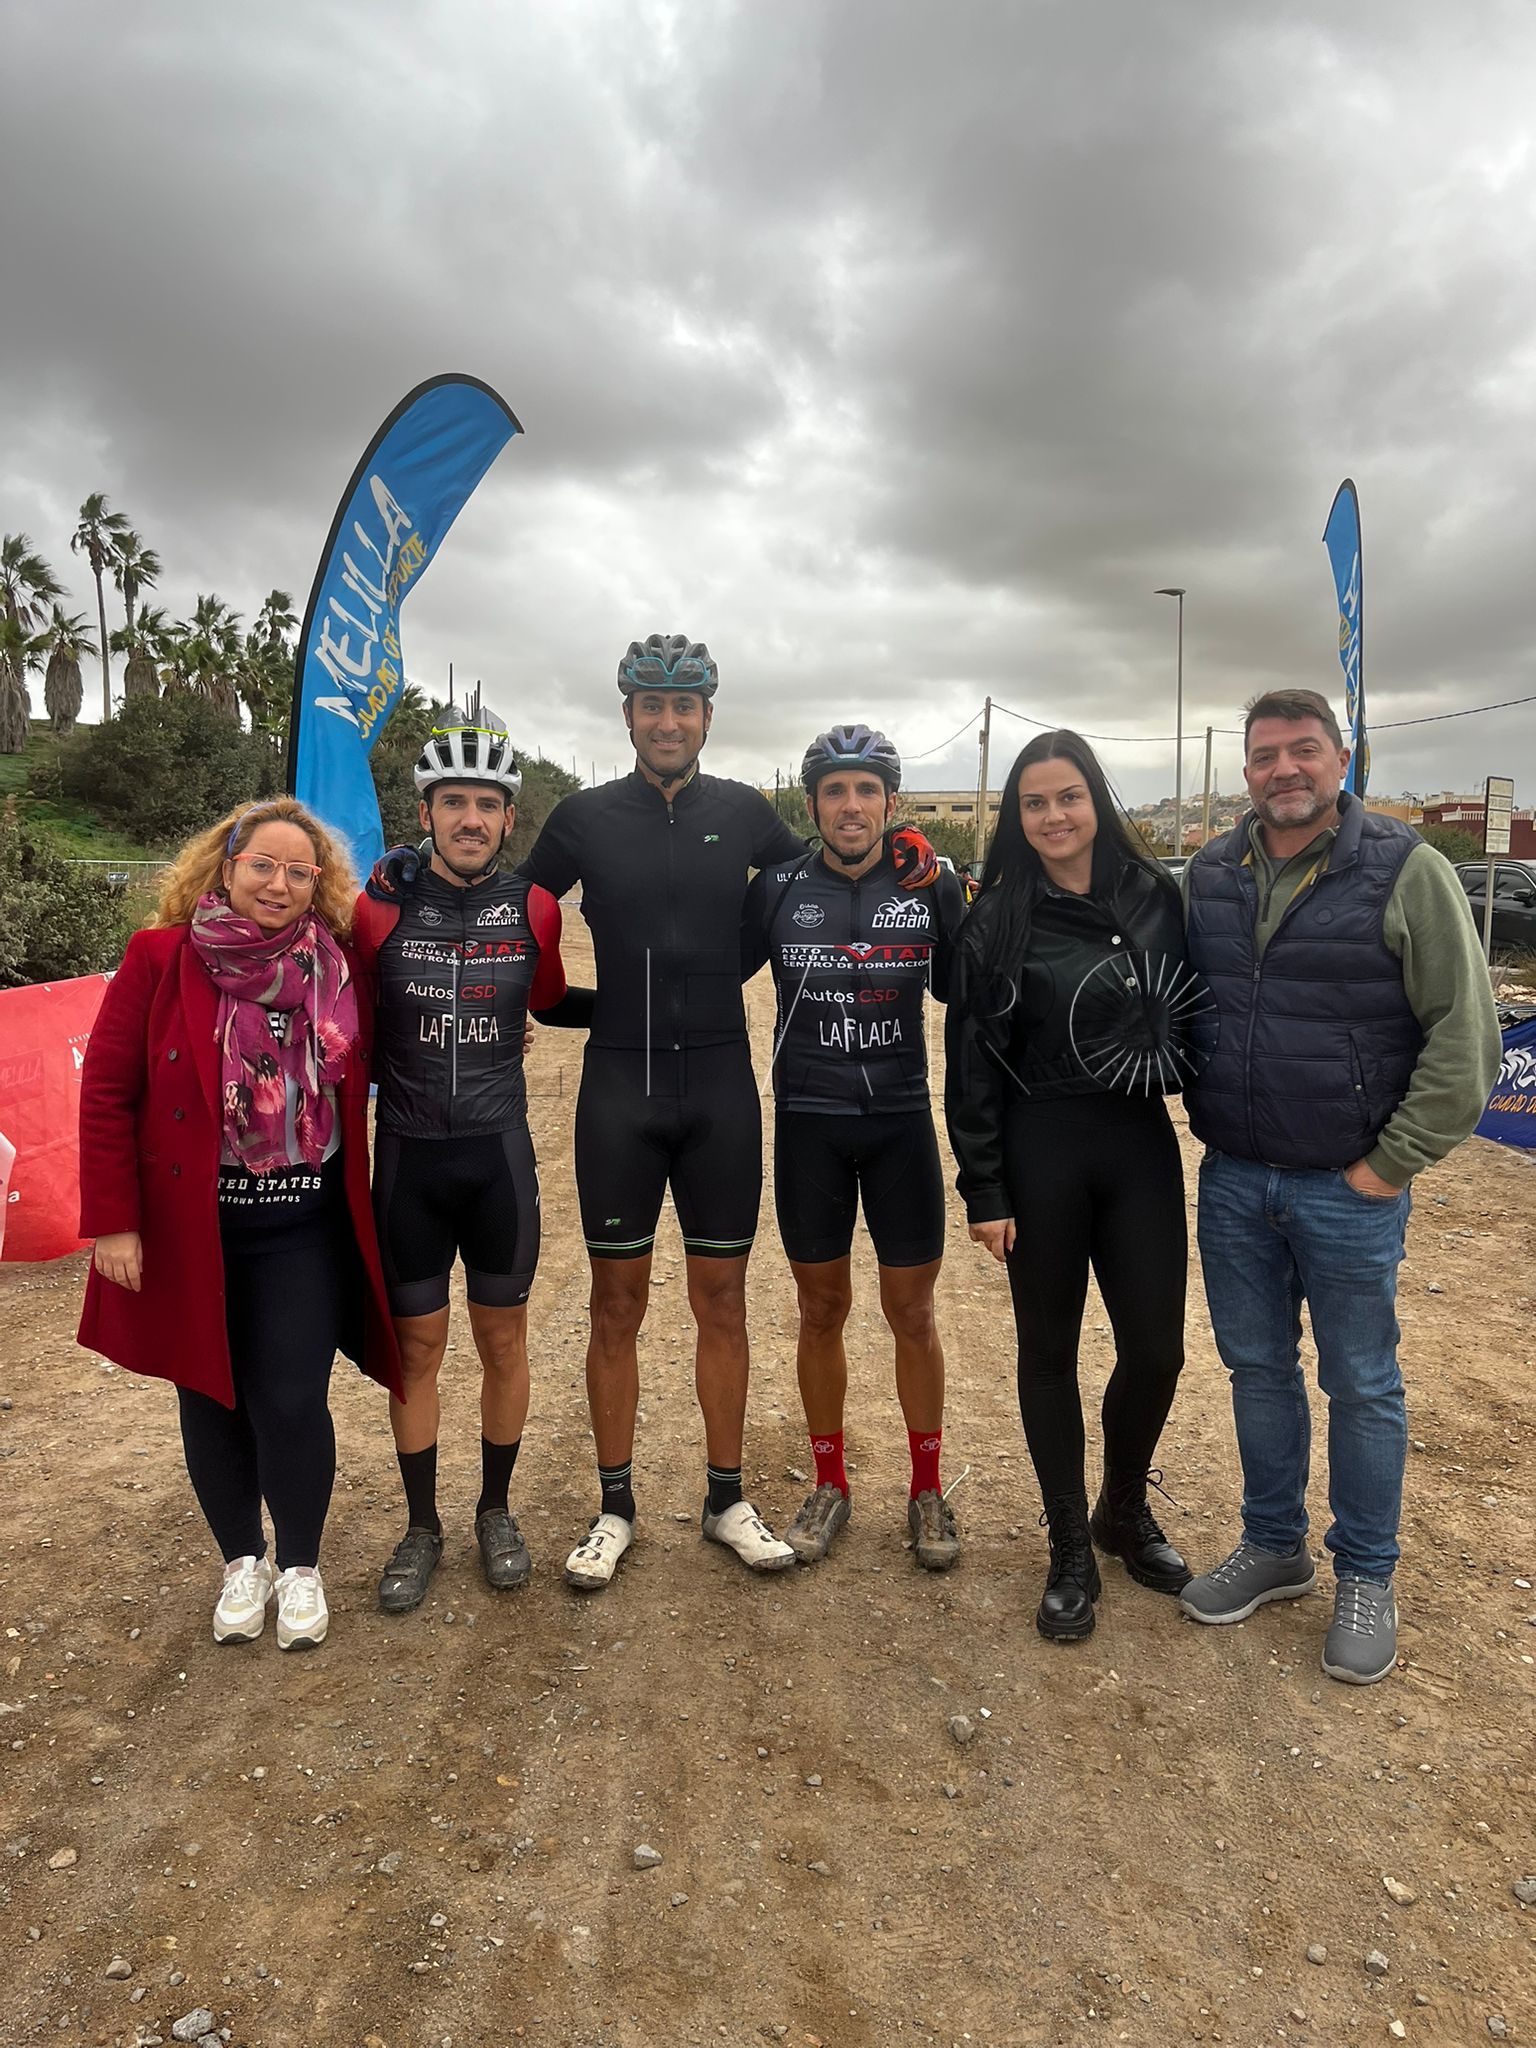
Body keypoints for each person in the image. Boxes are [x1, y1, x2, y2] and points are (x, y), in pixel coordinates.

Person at [516, 636, 941, 1588]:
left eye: (685, 706)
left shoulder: (746, 813)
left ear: (708, 716)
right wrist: (414, 870)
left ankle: (726, 1499)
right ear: (627, 715)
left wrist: (910, 853)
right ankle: (615, 1506)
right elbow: (513, 904)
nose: (668, 722)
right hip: (619, 1088)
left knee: (722, 1302)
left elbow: (831, 873)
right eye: (651, 705)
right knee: (615, 1304)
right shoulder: (583, 817)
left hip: (719, 1088)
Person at [1178, 688, 1502, 1684]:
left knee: (1361, 1381)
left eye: (1304, 749)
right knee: (1257, 1370)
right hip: (1236, 1179)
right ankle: (1274, 1544)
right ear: (1245, 771)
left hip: (1347, 1189)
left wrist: (1388, 1163)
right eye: (1265, 754)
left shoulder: (1407, 868)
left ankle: (1366, 1572)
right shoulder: (1211, 872)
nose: (1285, 769)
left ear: (1342, 757)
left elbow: (1467, 1038)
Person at [77, 798, 402, 1650]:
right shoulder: (159, 958)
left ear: (318, 884)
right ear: (226, 870)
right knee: (209, 1393)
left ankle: (300, 1566)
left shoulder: (338, 966)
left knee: (291, 1398)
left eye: (300, 871)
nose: (279, 884)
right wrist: (115, 1222)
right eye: (263, 865)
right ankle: (241, 1561)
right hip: (194, 1226)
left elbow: (395, 1043)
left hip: (303, 1224)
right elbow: (106, 1092)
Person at [945, 730, 1198, 1641]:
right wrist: (984, 1187)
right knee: (1048, 1353)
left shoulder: (1156, 896)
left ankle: (1120, 1509)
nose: (1054, 816)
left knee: (1157, 1352)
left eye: (1069, 797)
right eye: (1035, 803)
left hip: (1138, 1143)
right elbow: (971, 1060)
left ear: (1097, 799)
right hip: (1039, 1146)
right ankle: (1067, 1548)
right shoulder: (996, 917)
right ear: (1017, 818)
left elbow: (1202, 1011)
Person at [351, 708, 586, 1614]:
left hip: (497, 1158)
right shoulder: (378, 907)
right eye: (453, 802)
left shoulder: (533, 908)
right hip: (409, 1158)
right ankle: (422, 1526)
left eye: (487, 804)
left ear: (509, 819)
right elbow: (341, 1018)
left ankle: (495, 1509)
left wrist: (661, 1007)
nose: (471, 819)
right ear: (425, 814)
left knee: (503, 1342)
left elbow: (552, 998)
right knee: (417, 1350)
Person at [742, 725, 967, 1569]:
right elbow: (701, 966)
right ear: (811, 805)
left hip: (901, 1120)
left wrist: (950, 890)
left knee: (913, 1313)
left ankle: (927, 1489)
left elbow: (969, 989)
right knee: (820, 1310)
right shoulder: (777, 889)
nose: (850, 805)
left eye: (866, 790)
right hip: (810, 1123)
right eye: (834, 790)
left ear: (891, 803)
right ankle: (829, 1481)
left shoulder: (927, 885)